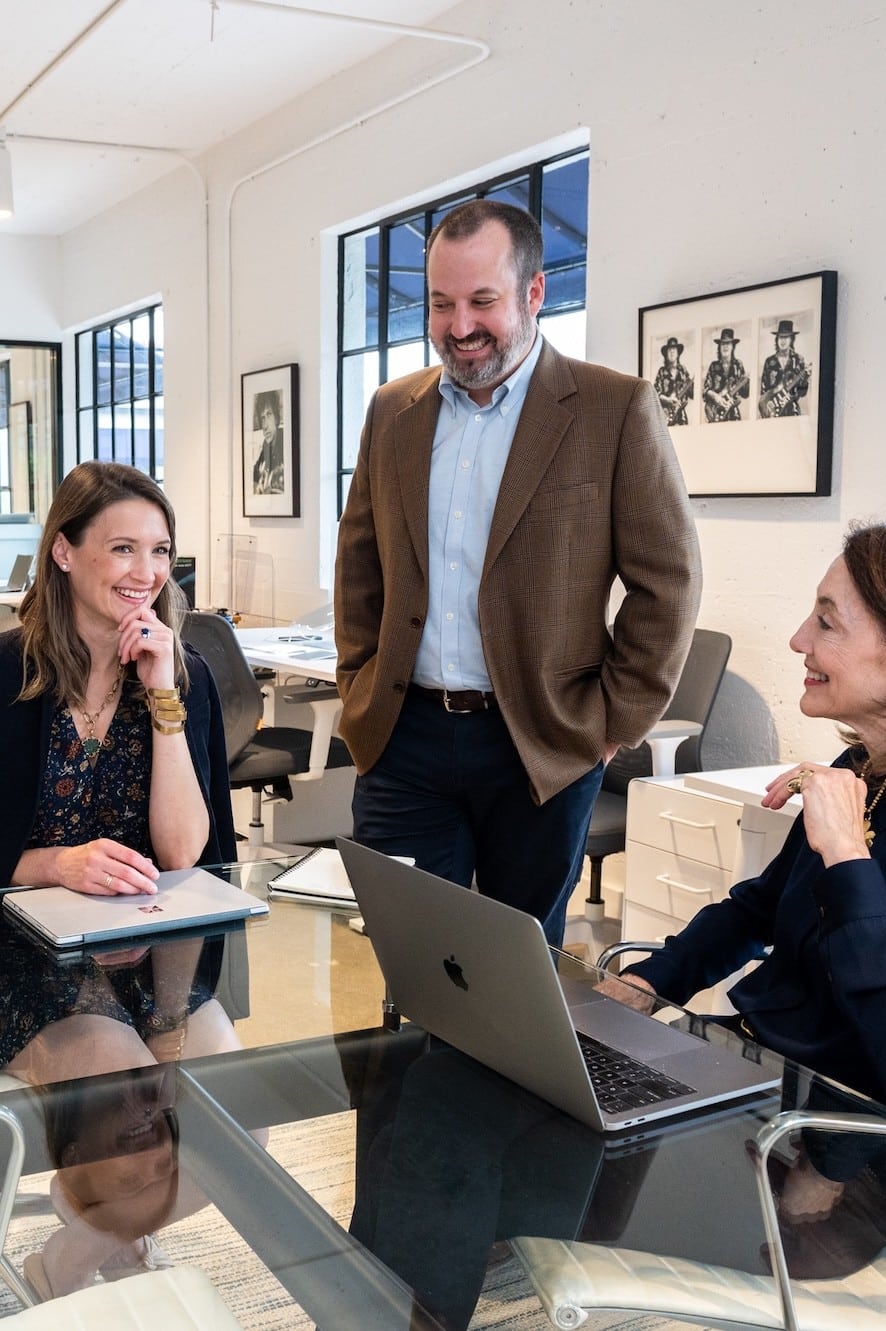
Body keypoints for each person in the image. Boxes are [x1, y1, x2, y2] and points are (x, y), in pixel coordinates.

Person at [358, 518, 886, 1327]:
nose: (798, 636)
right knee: (445, 1077)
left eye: (828, 620)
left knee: (454, 1124)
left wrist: (848, 858)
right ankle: (407, 1301)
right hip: (748, 1093)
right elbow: (758, 909)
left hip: (834, 1170)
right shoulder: (863, 775)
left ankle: (418, 1294)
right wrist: (647, 981)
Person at [334, 199, 702, 947]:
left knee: (517, 971)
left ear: (535, 293)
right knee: (406, 951)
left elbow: (669, 582)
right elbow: (360, 565)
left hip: (541, 740)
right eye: (441, 303)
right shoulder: (390, 411)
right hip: (404, 738)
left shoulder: (613, 409)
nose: (459, 325)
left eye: (482, 301)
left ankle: (501, 1074)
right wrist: (359, 679)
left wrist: (610, 724)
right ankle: (409, 1068)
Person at [0, 460, 241, 1082]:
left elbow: (185, 852)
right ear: (64, 551)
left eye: (160, 550)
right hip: (17, 949)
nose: (147, 573)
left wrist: (163, 690)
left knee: (229, 1097)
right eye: (122, 549)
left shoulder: (182, 671)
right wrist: (57, 865)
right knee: (122, 1086)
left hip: (150, 951)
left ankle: (110, 1182)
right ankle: (93, 1180)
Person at [758, 318, 811, 417]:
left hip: (792, 411)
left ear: (791, 339)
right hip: (772, 412)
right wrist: (768, 407)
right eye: (780, 337)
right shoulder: (769, 362)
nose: (783, 340)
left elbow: (802, 393)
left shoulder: (798, 359)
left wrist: (805, 379)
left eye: (786, 337)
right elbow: (763, 390)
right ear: (777, 339)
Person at [701, 327, 749, 422]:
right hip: (715, 412)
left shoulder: (738, 365)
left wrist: (747, 382)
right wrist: (717, 397)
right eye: (723, 344)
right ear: (719, 347)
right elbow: (705, 390)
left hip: (733, 412)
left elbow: (745, 394)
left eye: (728, 343)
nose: (725, 346)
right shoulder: (713, 366)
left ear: (733, 347)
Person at [251, 390, 287, 495]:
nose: (265, 425)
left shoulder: (284, 441)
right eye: (262, 418)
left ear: (276, 416)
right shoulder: (266, 444)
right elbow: (254, 475)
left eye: (269, 414)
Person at [652, 336, 694, 426]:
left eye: (674, 349)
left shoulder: (683, 370)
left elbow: (692, 393)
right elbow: (655, 394)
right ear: (666, 354)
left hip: (681, 414)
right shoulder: (662, 372)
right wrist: (668, 400)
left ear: (678, 353)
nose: (672, 351)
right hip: (665, 414)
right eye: (669, 349)